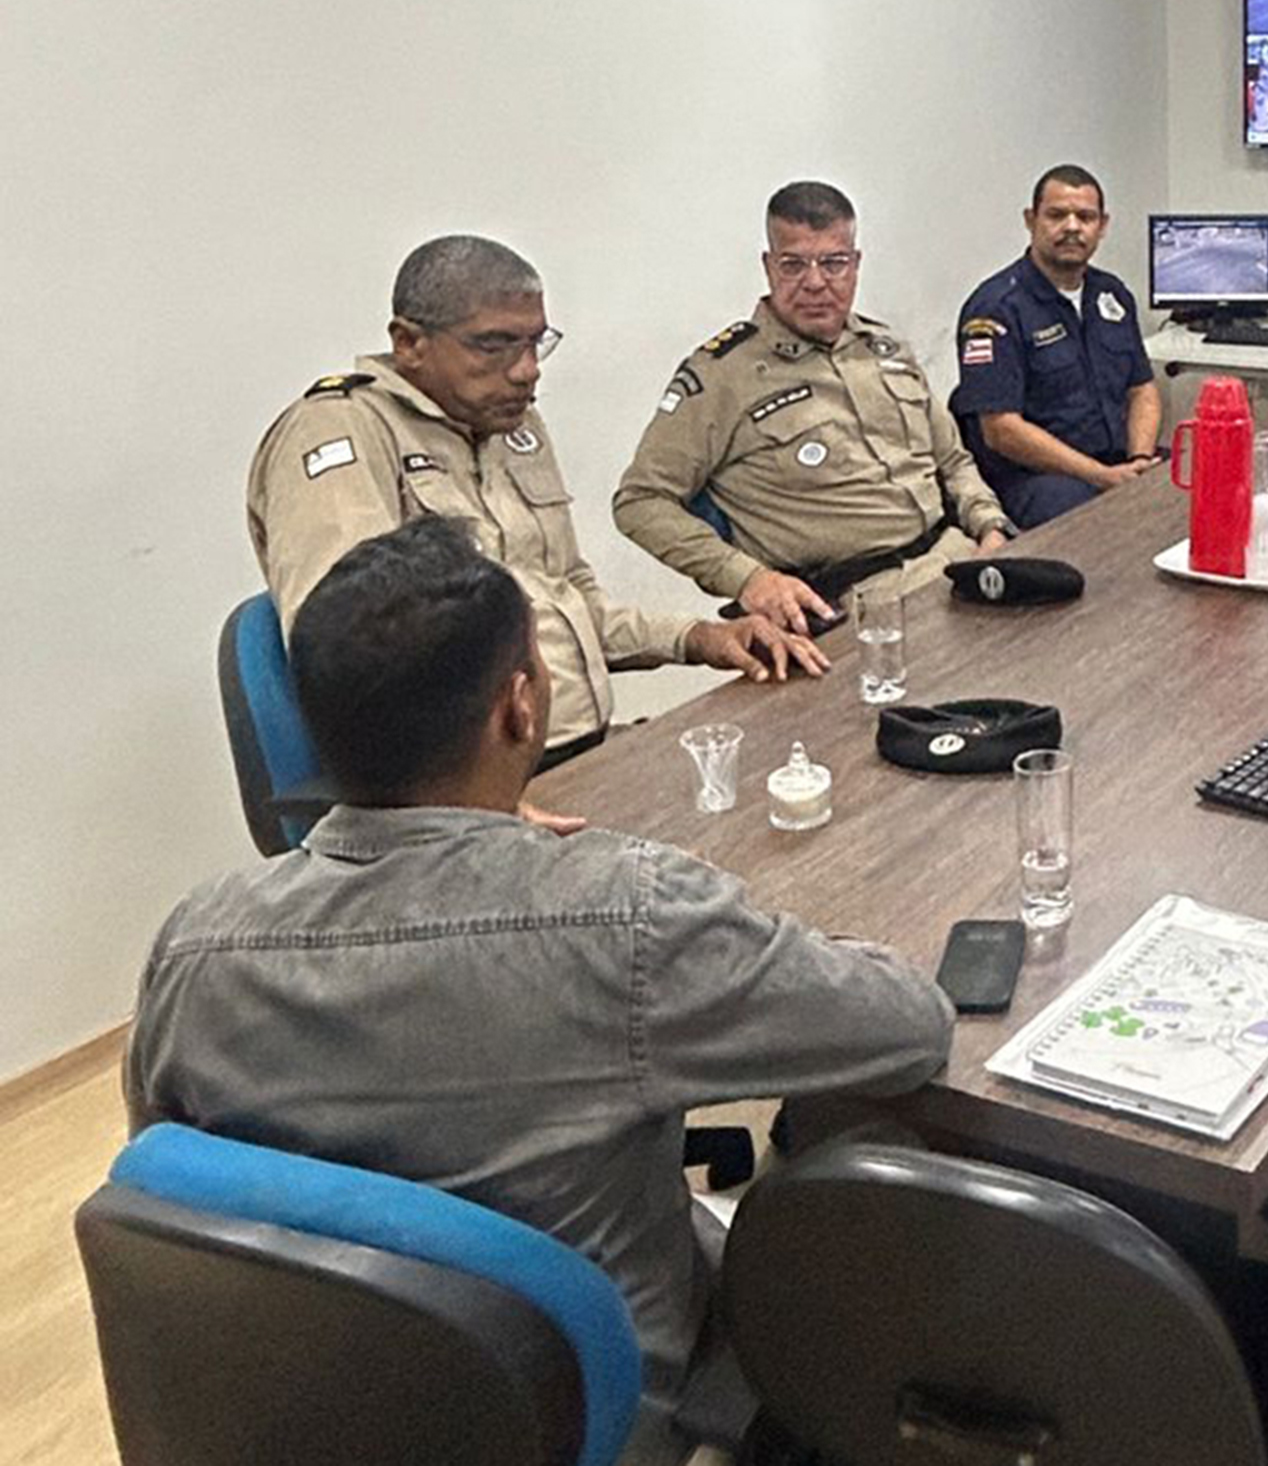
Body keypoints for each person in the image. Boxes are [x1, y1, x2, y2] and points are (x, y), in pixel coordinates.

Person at [126, 519, 955, 1464]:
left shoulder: (192, 944)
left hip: (326, 1414)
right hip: (600, 1416)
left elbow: (177, 1196)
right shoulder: (626, 915)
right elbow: (909, 1029)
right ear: (520, 708)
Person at [248, 235, 819, 764]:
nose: (527, 371)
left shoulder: (512, 429)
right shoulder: (342, 432)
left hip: (583, 751)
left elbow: (570, 602)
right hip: (475, 785)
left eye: (535, 343)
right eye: (494, 345)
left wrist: (699, 639)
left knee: (785, 766)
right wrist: (469, 807)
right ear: (410, 344)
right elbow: (350, 659)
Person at [614, 182, 1011, 635]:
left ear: (856, 265)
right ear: (768, 267)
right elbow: (640, 502)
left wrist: (989, 525)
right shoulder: (722, 376)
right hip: (850, 608)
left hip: (957, 564)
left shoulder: (885, 348)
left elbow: (953, 461)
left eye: (834, 263)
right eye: (793, 265)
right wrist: (748, 579)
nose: (816, 282)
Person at [948, 164, 1163, 528]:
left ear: (1102, 225)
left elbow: (1142, 389)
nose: (1072, 227)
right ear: (1031, 220)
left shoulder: (1112, 294)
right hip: (1036, 477)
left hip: (1115, 462)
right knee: (1105, 526)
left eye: (1085, 217)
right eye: (1057, 215)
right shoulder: (995, 309)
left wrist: (1139, 459)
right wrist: (1101, 476)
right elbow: (1001, 430)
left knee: (1195, 486)